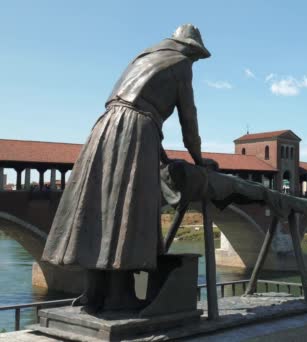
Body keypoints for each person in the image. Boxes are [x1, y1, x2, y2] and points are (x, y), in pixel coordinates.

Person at [41, 24, 216, 313]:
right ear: (190, 48)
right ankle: (118, 296)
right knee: (130, 210)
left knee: (96, 208)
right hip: (136, 132)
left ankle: (93, 291)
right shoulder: (181, 63)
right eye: (196, 56)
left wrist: (160, 154)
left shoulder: (143, 57)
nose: (195, 62)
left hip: (105, 128)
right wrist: (198, 157)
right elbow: (188, 116)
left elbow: (133, 104)